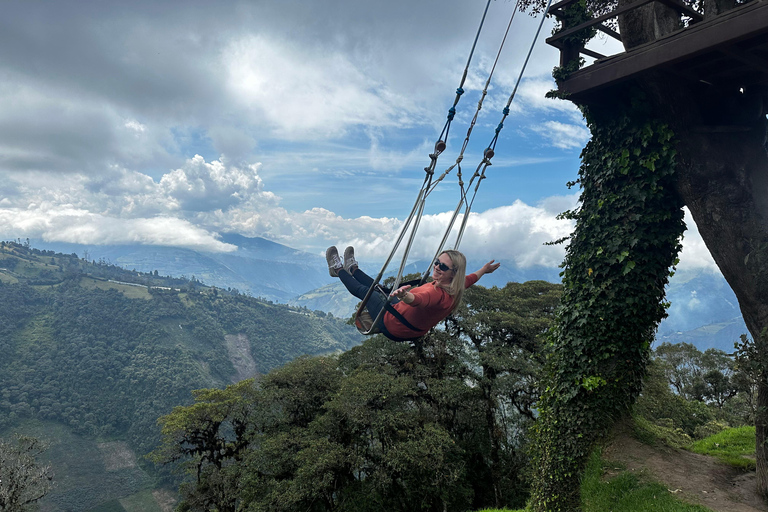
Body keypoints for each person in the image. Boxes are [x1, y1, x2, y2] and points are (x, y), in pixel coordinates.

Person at [326, 246, 500, 341]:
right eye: (437, 262)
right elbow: (470, 278)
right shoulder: (456, 285)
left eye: (443, 266)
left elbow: (419, 300)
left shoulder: (439, 295)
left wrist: (405, 296)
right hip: (407, 322)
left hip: (396, 325)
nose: (437, 267)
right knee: (378, 288)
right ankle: (353, 270)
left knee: (367, 292)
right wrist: (484, 270)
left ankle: (338, 270)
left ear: (454, 272)